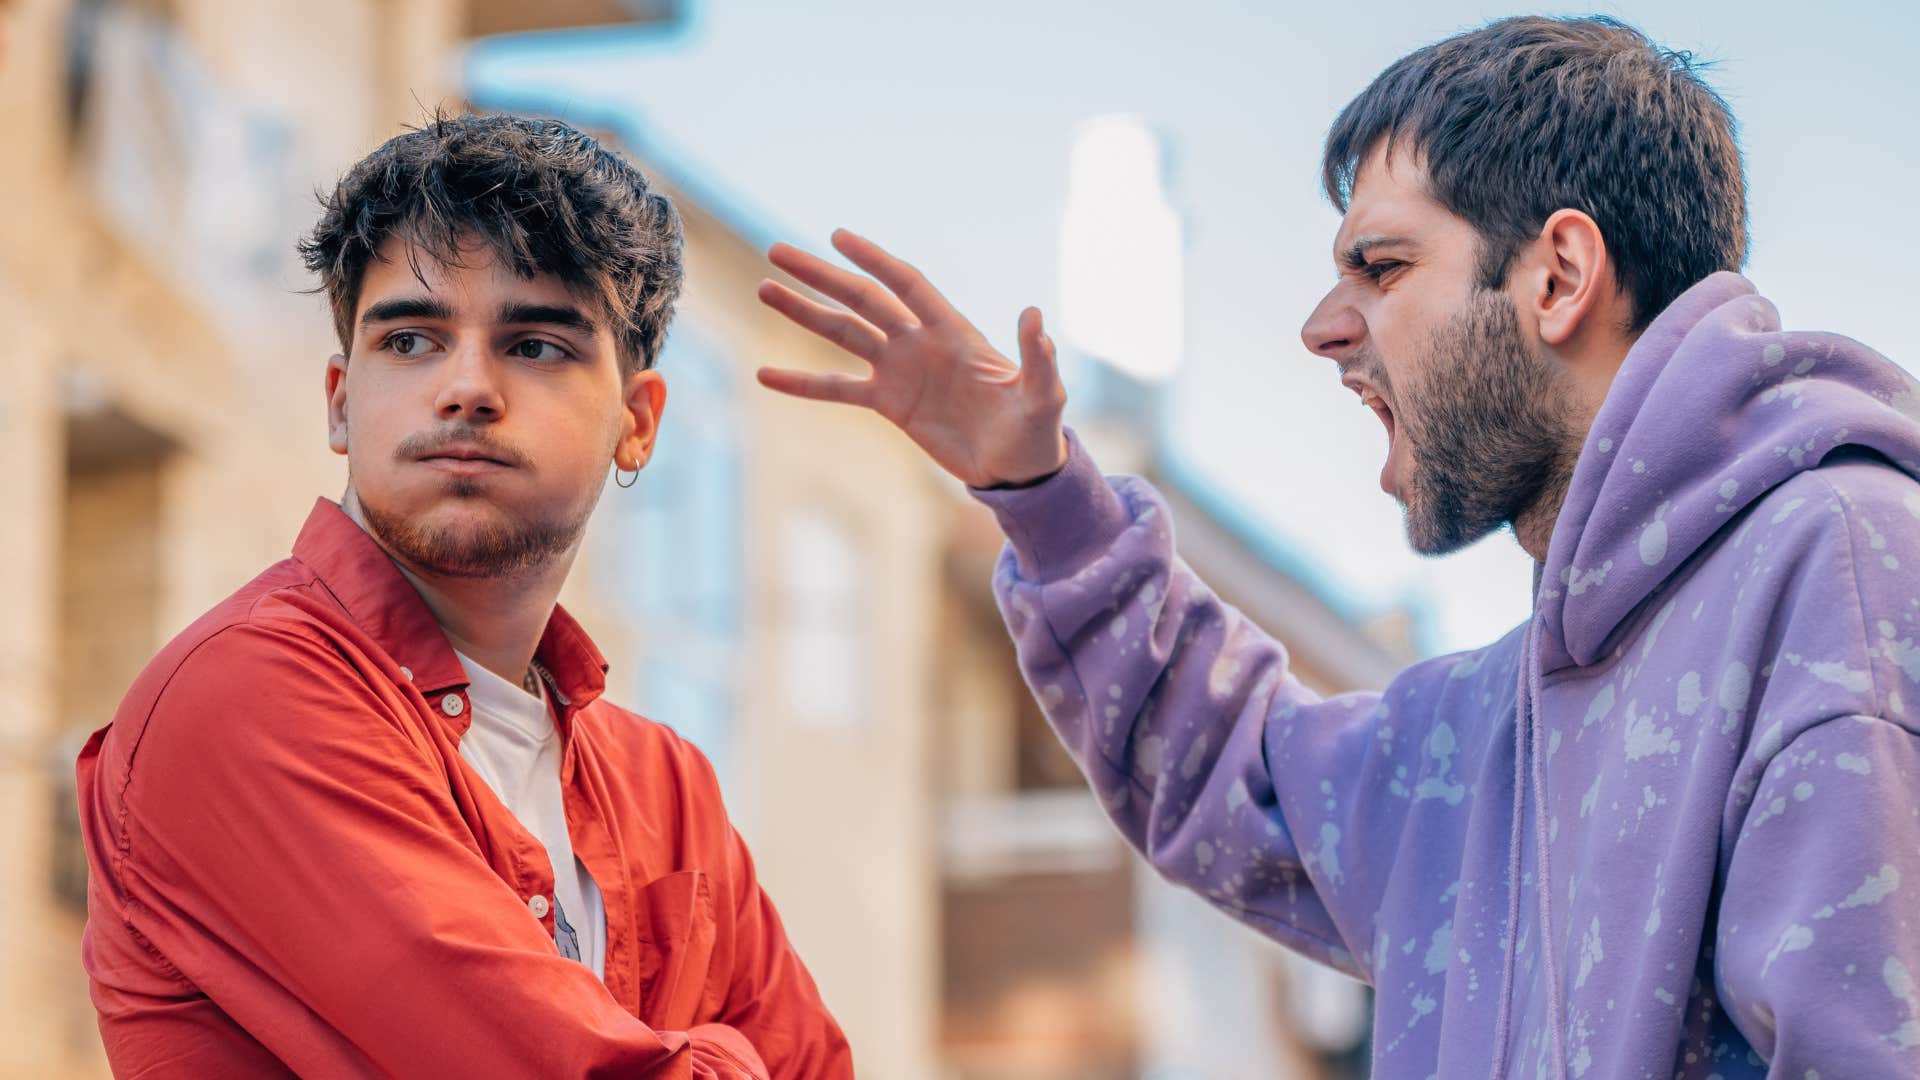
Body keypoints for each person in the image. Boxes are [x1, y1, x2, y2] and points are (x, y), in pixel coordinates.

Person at [755, 15, 1920, 1078]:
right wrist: (1041, 493)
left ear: (1559, 276)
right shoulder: (1494, 730)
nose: (1323, 328)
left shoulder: (1837, 570)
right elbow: (1234, 767)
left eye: (1383, 267)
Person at [76, 113, 852, 1079]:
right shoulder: (243, 697)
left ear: (638, 422)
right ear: (340, 401)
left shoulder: (669, 788)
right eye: (410, 340)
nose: (467, 388)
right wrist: (728, 1054)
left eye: (537, 346)